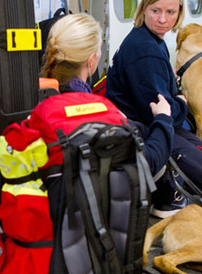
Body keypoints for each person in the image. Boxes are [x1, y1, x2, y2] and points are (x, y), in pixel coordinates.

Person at [106, 0, 202, 217]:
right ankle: (162, 191)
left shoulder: (150, 38)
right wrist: (181, 103)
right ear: (144, 9)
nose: (162, 19)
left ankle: (163, 176)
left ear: (179, 13)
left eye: (170, 12)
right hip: (142, 129)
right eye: (155, 10)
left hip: (147, 121)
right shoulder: (146, 51)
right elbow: (158, 112)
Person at [40, 12, 174, 178]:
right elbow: (149, 162)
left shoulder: (41, 104)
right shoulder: (101, 114)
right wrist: (163, 118)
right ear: (91, 62)